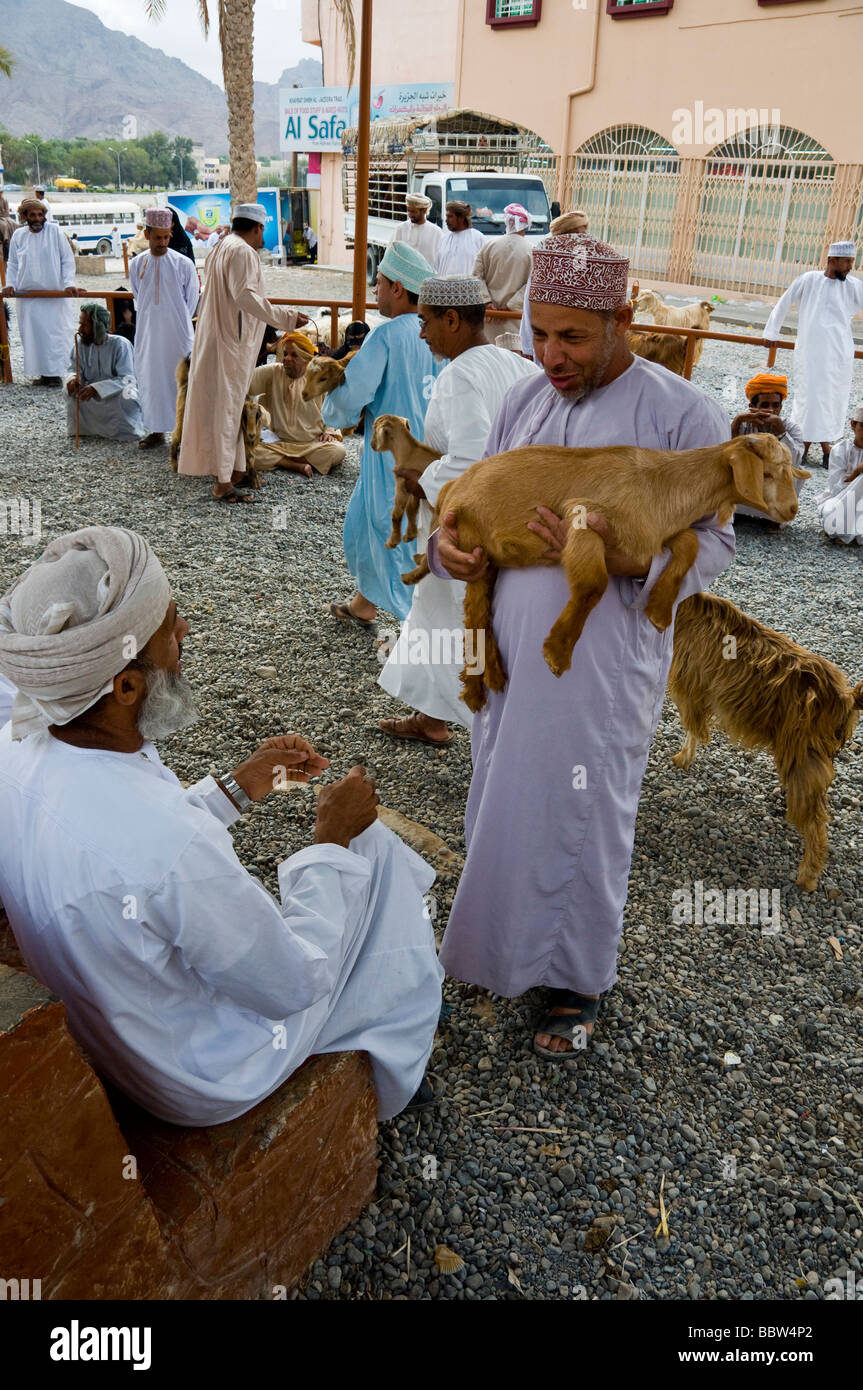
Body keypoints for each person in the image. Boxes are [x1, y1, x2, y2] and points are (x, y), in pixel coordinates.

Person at [0, 527, 443, 1126]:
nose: (185, 634)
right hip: (208, 1072)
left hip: (123, 1038)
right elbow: (293, 983)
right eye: (171, 629)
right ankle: (397, 1056)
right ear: (127, 686)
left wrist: (241, 784)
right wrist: (330, 841)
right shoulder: (172, 848)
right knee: (375, 853)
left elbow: (126, 842)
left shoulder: (24, 746)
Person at [427, 233, 734, 1057]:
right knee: (503, 793)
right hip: (505, 651)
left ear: (621, 321)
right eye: (538, 334)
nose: (551, 356)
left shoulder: (679, 414)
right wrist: (445, 550)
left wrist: (634, 559)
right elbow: (469, 501)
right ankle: (495, 953)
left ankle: (573, 982)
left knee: (580, 810)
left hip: (600, 659)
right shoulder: (523, 401)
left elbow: (718, 544)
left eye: (572, 338)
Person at [378, 275, 539, 745]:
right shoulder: (516, 366)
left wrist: (420, 477)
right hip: (511, 520)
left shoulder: (459, 375)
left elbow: (471, 461)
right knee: (439, 617)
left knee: (457, 623)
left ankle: (489, 731)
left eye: (426, 322)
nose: (422, 333)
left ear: (452, 319)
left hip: (467, 527)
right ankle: (433, 718)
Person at [322, 241, 438, 625]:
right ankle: (364, 603)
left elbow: (354, 392)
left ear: (398, 290)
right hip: (428, 453)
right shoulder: (434, 333)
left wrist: (331, 406)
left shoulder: (386, 335)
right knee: (361, 521)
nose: (375, 289)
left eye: (380, 282)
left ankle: (413, 628)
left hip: (392, 458)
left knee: (392, 531)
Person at [178, 203, 307, 504]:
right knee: (226, 409)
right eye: (263, 230)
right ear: (258, 227)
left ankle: (232, 471)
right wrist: (285, 317)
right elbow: (245, 297)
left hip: (217, 340)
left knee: (227, 407)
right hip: (229, 345)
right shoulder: (243, 252)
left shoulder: (222, 246)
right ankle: (223, 483)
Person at [764, 241, 863, 468]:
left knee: (831, 399)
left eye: (851, 262)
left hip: (838, 354)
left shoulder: (854, 286)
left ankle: (822, 447)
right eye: (846, 261)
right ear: (831, 260)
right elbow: (783, 302)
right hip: (810, 352)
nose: (849, 267)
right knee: (807, 398)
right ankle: (807, 446)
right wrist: (772, 332)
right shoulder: (809, 280)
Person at [130, 208, 199, 451]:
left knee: (181, 380)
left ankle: (185, 433)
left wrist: (175, 321)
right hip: (149, 333)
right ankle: (157, 430)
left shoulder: (183, 263)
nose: (162, 242)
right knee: (152, 379)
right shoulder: (137, 263)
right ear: (147, 234)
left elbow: (191, 300)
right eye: (157, 237)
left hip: (178, 335)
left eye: (166, 237)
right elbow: (139, 296)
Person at [1, 196, 78, 386]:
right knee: (34, 336)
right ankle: (43, 375)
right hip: (29, 297)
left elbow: (66, 260)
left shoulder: (55, 232)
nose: (36, 219)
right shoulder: (19, 236)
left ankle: (56, 375)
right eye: (32, 215)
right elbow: (13, 264)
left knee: (55, 335)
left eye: (40, 215)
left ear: (44, 216)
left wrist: (68, 284)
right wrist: (10, 284)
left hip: (54, 296)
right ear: (25, 216)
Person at [249, 331, 346, 479]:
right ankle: (296, 465)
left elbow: (334, 407)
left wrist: (330, 431)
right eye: (285, 354)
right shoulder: (272, 372)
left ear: (306, 359)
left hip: (310, 444)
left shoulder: (319, 376)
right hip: (276, 441)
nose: (286, 358)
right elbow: (244, 384)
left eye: (294, 355)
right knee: (246, 450)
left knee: (337, 452)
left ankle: (282, 461)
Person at [730, 371, 807, 523]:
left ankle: (774, 517)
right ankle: (736, 510)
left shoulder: (790, 428)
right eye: (765, 405)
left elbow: (796, 459)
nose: (771, 410)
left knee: (797, 472)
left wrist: (780, 432)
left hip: (774, 479)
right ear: (752, 406)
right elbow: (722, 452)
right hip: (748, 476)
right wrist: (737, 421)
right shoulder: (743, 423)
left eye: (776, 405)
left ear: (781, 407)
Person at [65, 302, 145, 441]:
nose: (79, 329)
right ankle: (85, 430)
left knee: (127, 395)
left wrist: (96, 388)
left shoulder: (120, 344)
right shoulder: (79, 344)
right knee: (71, 393)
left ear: (97, 326)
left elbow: (127, 379)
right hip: (88, 392)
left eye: (84, 325)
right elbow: (73, 368)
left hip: (114, 392)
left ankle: (124, 432)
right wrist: (73, 379)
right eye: (80, 324)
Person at [520, 209, 588, 359]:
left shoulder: (585, 265)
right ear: (564, 238)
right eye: (580, 236)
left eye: (585, 235)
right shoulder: (545, 266)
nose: (584, 241)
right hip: (547, 343)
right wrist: (527, 347)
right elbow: (529, 308)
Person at [472, 202, 532, 311]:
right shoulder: (532, 251)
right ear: (526, 224)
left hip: (490, 316)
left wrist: (487, 302)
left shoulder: (488, 246)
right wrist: (511, 306)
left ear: (507, 222)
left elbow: (476, 276)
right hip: (515, 319)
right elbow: (533, 284)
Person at [817, 405, 863, 544]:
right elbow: (835, 490)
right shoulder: (840, 450)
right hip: (842, 501)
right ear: (853, 425)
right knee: (831, 515)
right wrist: (857, 472)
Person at [435, 202, 485, 277]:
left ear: (461, 218)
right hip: (444, 287)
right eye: (446, 216)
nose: (446, 220)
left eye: (450, 217)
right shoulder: (444, 239)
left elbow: (485, 268)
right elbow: (437, 267)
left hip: (469, 287)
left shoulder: (478, 238)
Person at [391, 193, 443, 267]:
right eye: (408, 211)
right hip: (404, 276)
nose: (410, 214)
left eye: (413, 211)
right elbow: (392, 255)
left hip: (427, 277)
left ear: (424, 211)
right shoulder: (401, 229)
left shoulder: (436, 232)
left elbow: (441, 260)